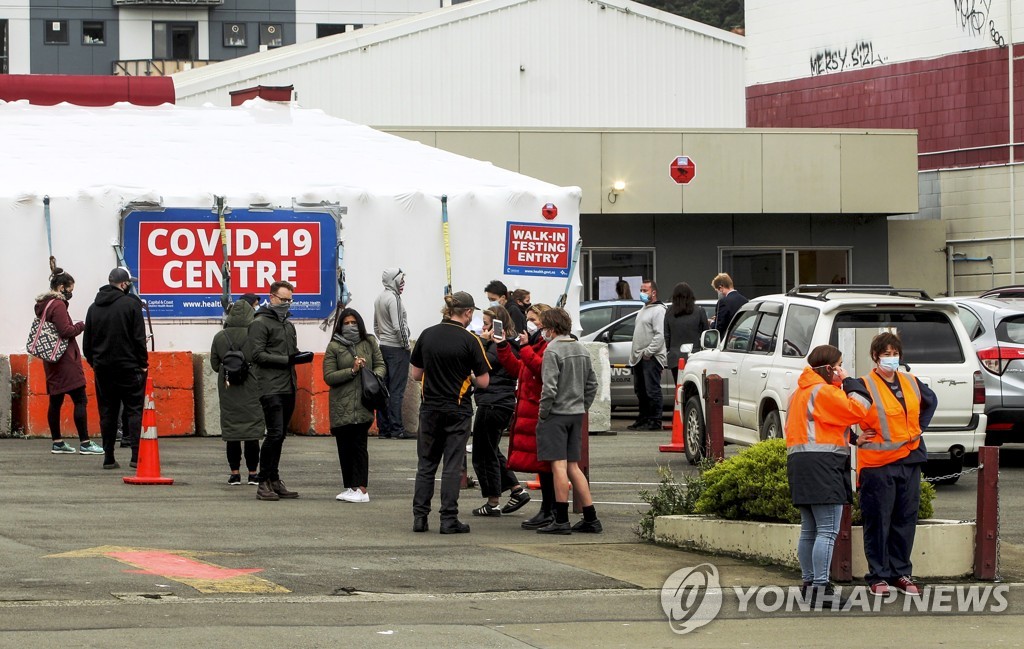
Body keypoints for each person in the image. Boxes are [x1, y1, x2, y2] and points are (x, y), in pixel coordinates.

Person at [785, 344, 872, 608]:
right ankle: (821, 590)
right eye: (839, 366)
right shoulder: (823, 391)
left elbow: (821, 424)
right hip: (824, 465)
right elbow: (859, 409)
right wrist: (850, 381)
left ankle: (809, 585)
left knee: (809, 529)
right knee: (827, 530)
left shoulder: (799, 393)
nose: (841, 370)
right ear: (829, 368)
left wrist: (853, 439)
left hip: (800, 464)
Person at [855, 332, 937, 597]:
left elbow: (930, 402)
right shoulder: (863, 384)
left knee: (905, 518)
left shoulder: (911, 381)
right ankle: (877, 575)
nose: (891, 358)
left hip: (910, 458)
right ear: (875, 357)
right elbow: (840, 413)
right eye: (886, 354)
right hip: (878, 463)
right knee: (878, 520)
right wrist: (854, 437)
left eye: (895, 353)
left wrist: (918, 428)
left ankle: (900, 572)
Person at [410, 291, 491, 534]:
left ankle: (420, 518)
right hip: (458, 410)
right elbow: (485, 381)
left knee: (426, 465)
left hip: (430, 408)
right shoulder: (470, 340)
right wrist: (470, 378)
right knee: (452, 466)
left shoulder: (427, 334)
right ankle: (448, 519)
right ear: (467, 312)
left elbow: (415, 375)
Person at [534, 308, 601, 534]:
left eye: (543, 328)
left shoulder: (552, 351)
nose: (542, 332)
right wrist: (583, 406)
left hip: (556, 415)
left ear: (552, 329)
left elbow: (549, 387)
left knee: (559, 466)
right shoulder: (581, 349)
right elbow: (592, 384)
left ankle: (561, 519)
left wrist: (543, 413)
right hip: (576, 414)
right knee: (574, 466)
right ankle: (591, 516)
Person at [247, 280, 314, 501]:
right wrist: (287, 359)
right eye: (283, 299)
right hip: (270, 386)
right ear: (272, 297)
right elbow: (256, 355)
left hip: (288, 385)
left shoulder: (288, 324)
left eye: (290, 300)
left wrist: (298, 356)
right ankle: (263, 481)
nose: (286, 303)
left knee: (280, 435)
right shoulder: (260, 323)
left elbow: (289, 351)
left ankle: (274, 479)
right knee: (274, 434)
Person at [496, 303, 555, 528]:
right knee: (542, 465)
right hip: (529, 409)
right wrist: (503, 348)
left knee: (546, 464)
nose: (529, 324)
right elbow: (520, 368)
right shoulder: (535, 344)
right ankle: (547, 509)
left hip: (538, 409)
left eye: (533, 319)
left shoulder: (544, 346)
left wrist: (525, 348)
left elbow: (540, 369)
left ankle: (549, 510)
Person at [83, 267, 148, 470]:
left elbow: (87, 344)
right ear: (123, 284)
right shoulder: (131, 305)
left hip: (103, 369)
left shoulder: (93, 308)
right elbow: (139, 339)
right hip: (129, 368)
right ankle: (136, 457)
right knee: (134, 411)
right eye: (129, 283)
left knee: (108, 412)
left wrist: (96, 363)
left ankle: (108, 457)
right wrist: (143, 363)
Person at [36, 267, 103, 456]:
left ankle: (57, 442)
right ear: (61, 287)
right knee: (80, 398)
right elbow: (65, 331)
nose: (71, 293)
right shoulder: (57, 305)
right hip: (65, 359)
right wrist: (81, 325)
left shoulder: (44, 304)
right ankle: (85, 443)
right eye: (70, 289)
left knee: (56, 400)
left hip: (52, 359)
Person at [470, 305, 529, 517]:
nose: (483, 327)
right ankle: (516, 490)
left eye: (487, 323)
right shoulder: (509, 345)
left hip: (493, 402)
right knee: (491, 449)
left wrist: (483, 342)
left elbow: (482, 365)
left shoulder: (496, 347)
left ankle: (493, 500)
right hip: (500, 402)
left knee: (483, 453)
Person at [323, 307, 385, 503]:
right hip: (341, 405)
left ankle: (362, 488)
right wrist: (352, 370)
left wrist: (373, 375)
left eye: (354, 322)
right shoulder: (334, 346)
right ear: (340, 326)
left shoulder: (369, 342)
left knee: (359, 446)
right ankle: (350, 486)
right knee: (344, 447)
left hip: (363, 404)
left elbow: (381, 365)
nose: (350, 326)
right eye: (346, 323)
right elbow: (329, 376)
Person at [210, 297, 264, 486]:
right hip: (252, 388)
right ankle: (253, 473)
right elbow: (260, 360)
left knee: (232, 432)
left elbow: (215, 365)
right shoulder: (255, 335)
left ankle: (234, 474)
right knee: (251, 433)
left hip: (228, 389)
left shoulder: (220, 337)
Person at [373, 268, 413, 440]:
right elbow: (399, 327)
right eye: (401, 279)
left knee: (384, 390)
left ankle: (384, 429)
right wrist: (405, 345)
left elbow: (375, 326)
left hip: (384, 347)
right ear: (394, 280)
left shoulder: (379, 298)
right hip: (397, 350)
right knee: (396, 391)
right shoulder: (394, 299)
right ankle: (397, 429)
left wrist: (383, 339)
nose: (403, 282)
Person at [627, 279, 667, 431]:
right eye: (641, 290)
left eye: (645, 290)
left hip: (651, 357)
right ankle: (643, 419)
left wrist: (649, 352)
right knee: (641, 391)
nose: (642, 293)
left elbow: (660, 335)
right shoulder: (644, 309)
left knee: (652, 390)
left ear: (654, 293)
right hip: (639, 357)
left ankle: (655, 421)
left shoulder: (658, 311)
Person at [663, 282, 709, 384]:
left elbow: (666, 336)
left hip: (675, 357)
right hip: (695, 356)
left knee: (679, 386)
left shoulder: (669, 313)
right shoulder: (699, 311)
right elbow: (706, 334)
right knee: (694, 387)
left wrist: (668, 350)